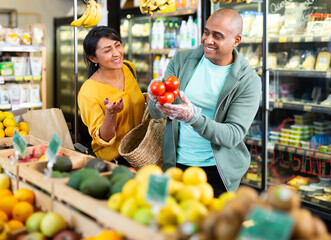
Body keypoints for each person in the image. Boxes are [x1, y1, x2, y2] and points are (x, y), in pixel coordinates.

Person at [148, 9, 261, 196]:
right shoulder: (182, 60)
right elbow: (156, 114)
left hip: (217, 173)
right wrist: (155, 99)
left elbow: (232, 135)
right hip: (174, 164)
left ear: (236, 40)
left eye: (218, 36)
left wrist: (193, 119)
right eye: (206, 32)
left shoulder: (248, 81)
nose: (208, 40)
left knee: (209, 224)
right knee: (166, 220)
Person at [78, 26, 147, 165]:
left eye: (117, 45)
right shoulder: (88, 92)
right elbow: (104, 138)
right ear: (93, 58)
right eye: (108, 50)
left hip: (143, 152)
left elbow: (132, 99)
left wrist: (147, 97)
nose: (116, 53)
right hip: (116, 161)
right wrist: (111, 113)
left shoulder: (128, 68)